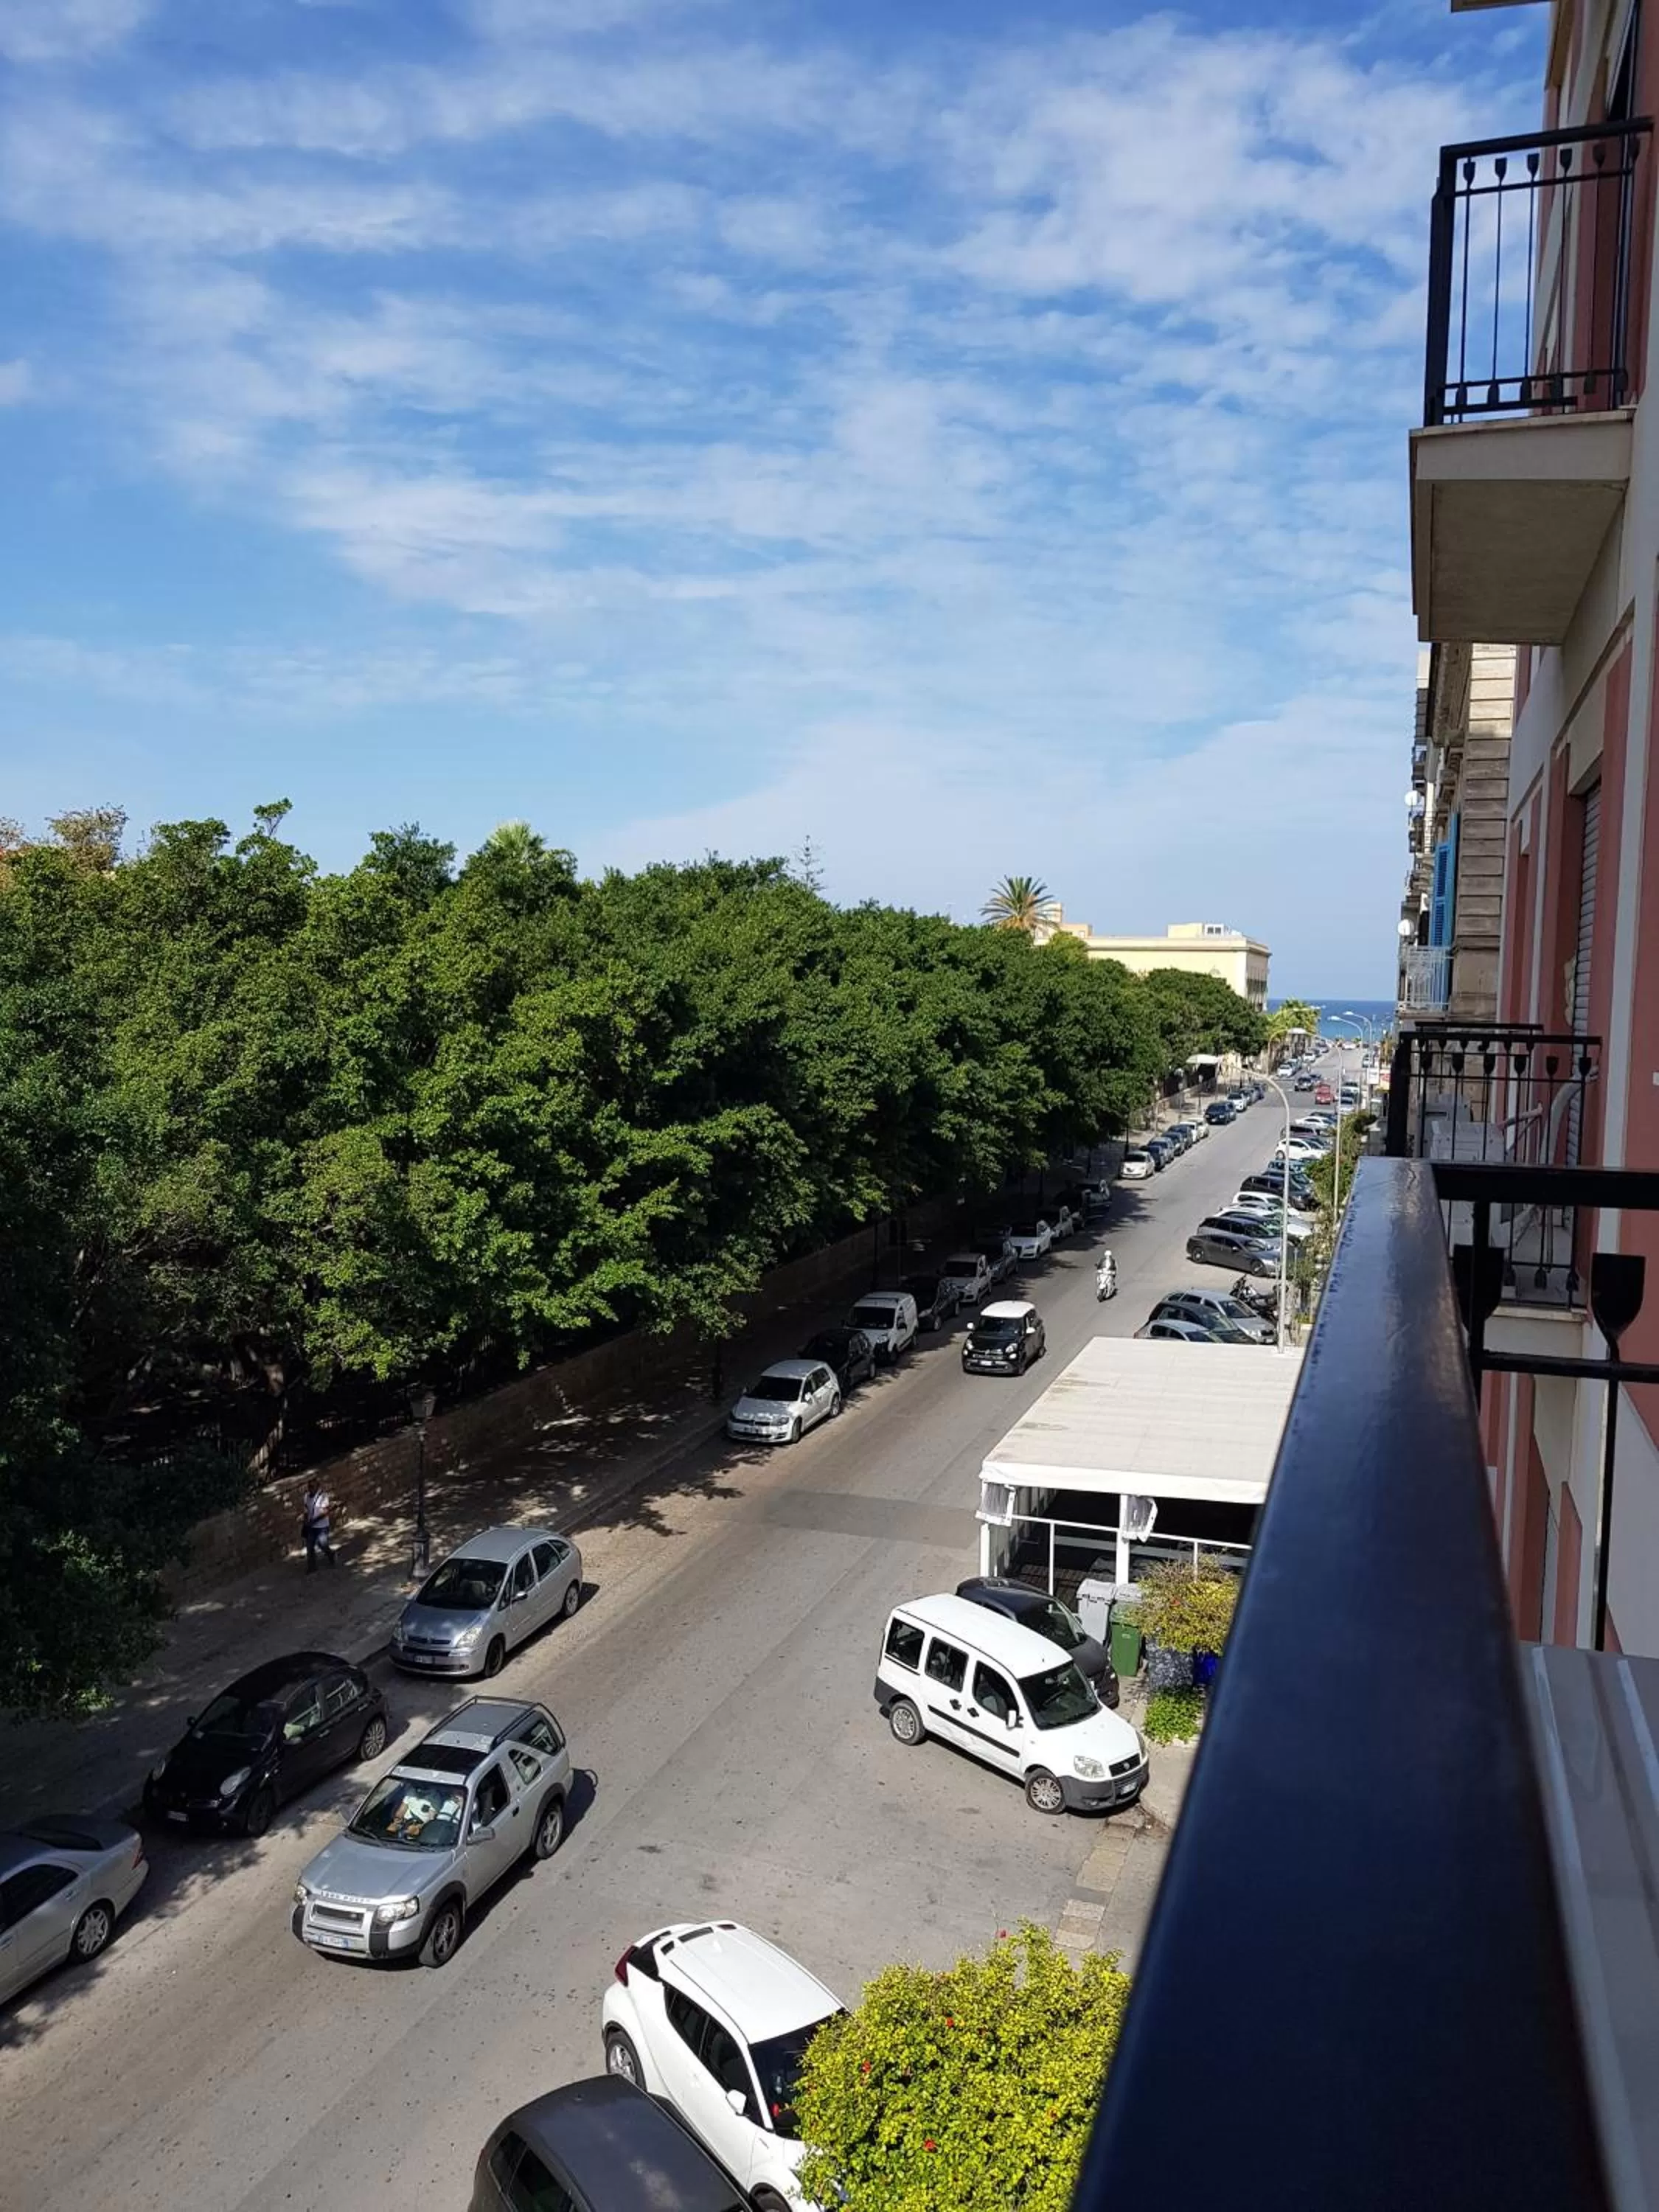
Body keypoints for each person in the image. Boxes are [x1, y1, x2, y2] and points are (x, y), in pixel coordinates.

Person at [300, 1478, 336, 1573]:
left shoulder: (323, 1496)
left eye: (312, 1486)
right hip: (311, 1527)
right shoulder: (306, 1496)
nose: (310, 1489)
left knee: (322, 1544)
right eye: (309, 1486)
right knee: (310, 1546)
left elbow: (325, 1512)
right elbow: (306, 1509)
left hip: (322, 1526)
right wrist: (305, 1520)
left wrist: (314, 1521)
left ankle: (330, 1554)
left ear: (317, 1487)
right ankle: (312, 1567)